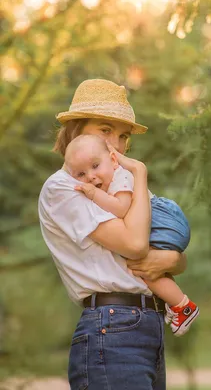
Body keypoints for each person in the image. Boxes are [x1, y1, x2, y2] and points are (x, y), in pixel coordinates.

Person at [38, 79, 188, 390]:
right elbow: (135, 245)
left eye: (123, 136)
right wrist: (141, 173)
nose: (116, 145)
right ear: (76, 129)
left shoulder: (113, 181)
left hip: (148, 324)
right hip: (112, 325)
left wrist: (172, 257)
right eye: (105, 130)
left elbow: (171, 254)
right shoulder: (65, 187)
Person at [64, 134, 199, 336]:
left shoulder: (121, 177)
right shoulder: (110, 177)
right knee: (149, 269)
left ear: (112, 159)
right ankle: (177, 303)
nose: (90, 177)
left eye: (95, 166)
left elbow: (121, 208)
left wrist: (93, 194)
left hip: (162, 223)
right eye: (81, 174)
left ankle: (183, 306)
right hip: (160, 223)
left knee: (140, 265)